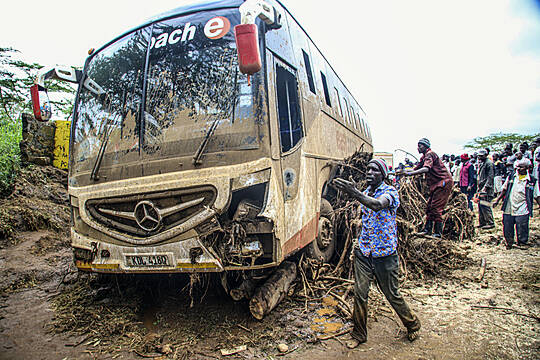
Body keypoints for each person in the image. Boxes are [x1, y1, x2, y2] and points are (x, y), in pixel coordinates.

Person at [332, 159, 420, 347]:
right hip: (364, 253)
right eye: (368, 169)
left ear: (383, 174)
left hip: (385, 255)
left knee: (392, 294)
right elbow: (365, 218)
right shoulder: (365, 193)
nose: (370, 172)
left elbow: (377, 205)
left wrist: (353, 192)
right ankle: (359, 335)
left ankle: (412, 324)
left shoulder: (390, 193)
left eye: (375, 170)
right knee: (360, 293)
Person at [401, 138, 453, 237]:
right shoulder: (424, 157)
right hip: (436, 184)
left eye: (420, 146)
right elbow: (418, 167)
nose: (418, 148)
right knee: (429, 207)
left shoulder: (430, 154)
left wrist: (411, 173)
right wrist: (404, 172)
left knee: (436, 208)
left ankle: (438, 233)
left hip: (443, 183)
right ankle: (427, 230)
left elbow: (425, 168)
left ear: (425, 146)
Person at [494, 158, 536, 249]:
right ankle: (509, 242)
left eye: (521, 167)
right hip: (510, 204)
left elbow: (537, 194)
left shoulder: (531, 180)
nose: (518, 169)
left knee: (522, 225)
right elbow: (504, 189)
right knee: (507, 224)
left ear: (527, 168)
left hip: (522, 205)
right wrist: (497, 200)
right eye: (518, 167)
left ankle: (522, 242)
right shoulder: (512, 176)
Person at [477, 149, 495, 229]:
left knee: (485, 205)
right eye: (479, 155)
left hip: (487, 189)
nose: (479, 157)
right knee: (480, 205)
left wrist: (485, 187)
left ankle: (490, 223)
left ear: (486, 155)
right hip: (481, 187)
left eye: (481, 156)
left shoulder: (489, 163)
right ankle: (482, 222)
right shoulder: (483, 163)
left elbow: (490, 177)